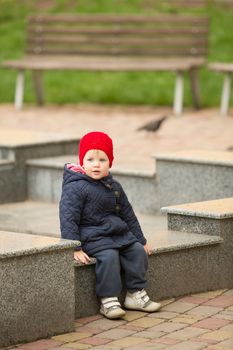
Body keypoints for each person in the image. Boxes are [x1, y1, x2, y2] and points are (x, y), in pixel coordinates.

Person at [59, 131, 161, 319]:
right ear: (82, 162)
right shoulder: (76, 187)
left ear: (110, 163)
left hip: (117, 233)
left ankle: (134, 294)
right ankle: (108, 299)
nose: (96, 164)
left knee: (137, 251)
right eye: (90, 159)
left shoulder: (114, 186)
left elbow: (128, 214)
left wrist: (140, 239)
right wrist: (74, 247)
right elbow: (68, 218)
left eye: (102, 160)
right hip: (93, 236)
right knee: (109, 256)